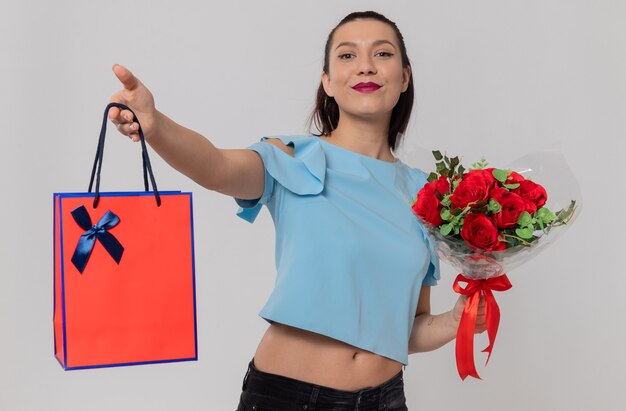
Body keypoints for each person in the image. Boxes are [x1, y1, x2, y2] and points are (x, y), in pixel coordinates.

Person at [108, 10, 486, 411]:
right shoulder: (292, 157)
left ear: (404, 76)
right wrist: (156, 125)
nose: (365, 66)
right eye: (346, 55)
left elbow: (407, 327)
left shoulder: (426, 195)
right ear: (327, 81)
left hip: (386, 399)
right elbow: (216, 167)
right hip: (288, 397)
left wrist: (455, 320)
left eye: (382, 54)